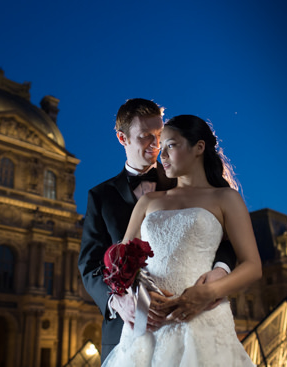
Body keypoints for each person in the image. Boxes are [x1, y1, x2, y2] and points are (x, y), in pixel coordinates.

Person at [78, 99, 237, 362]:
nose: (155, 145)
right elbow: (89, 264)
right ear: (122, 138)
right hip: (126, 332)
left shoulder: (187, 179)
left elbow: (226, 238)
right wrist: (117, 301)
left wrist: (221, 269)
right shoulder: (100, 196)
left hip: (190, 318)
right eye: (144, 137)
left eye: (159, 136)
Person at [101, 114, 262, 366]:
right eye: (160, 148)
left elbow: (252, 265)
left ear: (198, 147)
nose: (161, 155)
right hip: (149, 322)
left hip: (203, 319)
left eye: (171, 145)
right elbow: (121, 263)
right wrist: (139, 294)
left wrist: (209, 292)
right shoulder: (148, 202)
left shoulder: (226, 198)